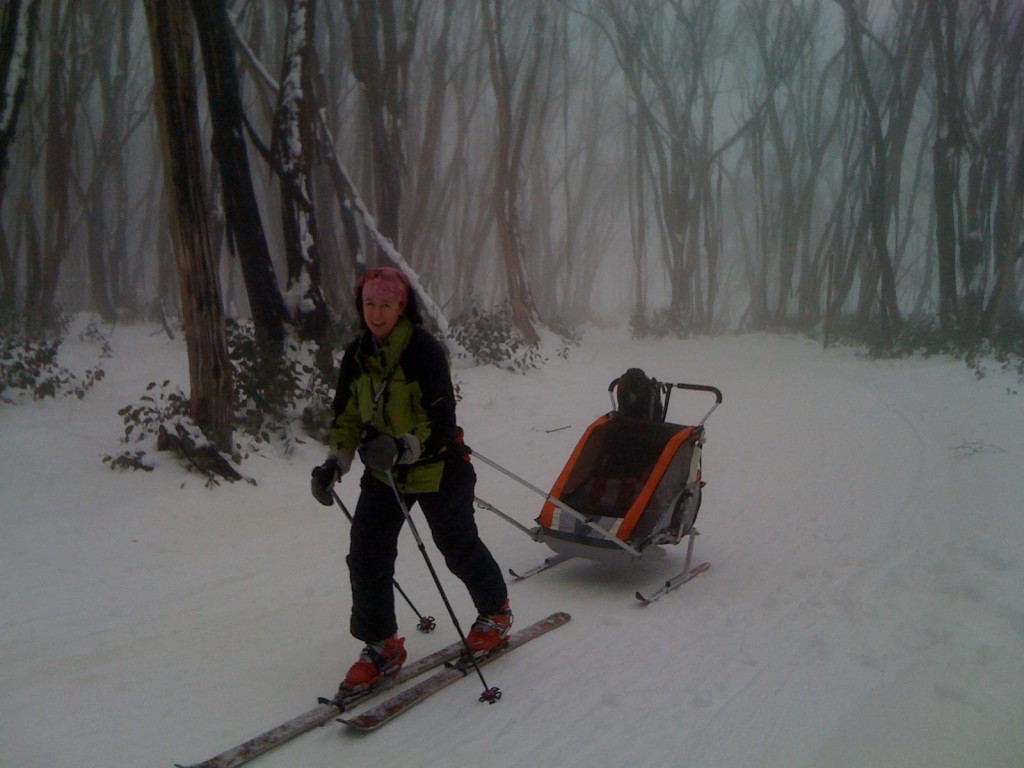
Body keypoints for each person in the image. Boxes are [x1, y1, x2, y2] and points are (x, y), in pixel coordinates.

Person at [310, 266, 511, 693]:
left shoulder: (423, 351)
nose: (376, 313)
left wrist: (402, 447)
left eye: (385, 304)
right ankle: (382, 645)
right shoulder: (358, 354)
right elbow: (346, 416)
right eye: (369, 304)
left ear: (402, 307)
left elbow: (441, 419)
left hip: (440, 465)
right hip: (384, 471)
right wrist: (335, 463)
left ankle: (496, 612)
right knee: (366, 553)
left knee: (456, 544)